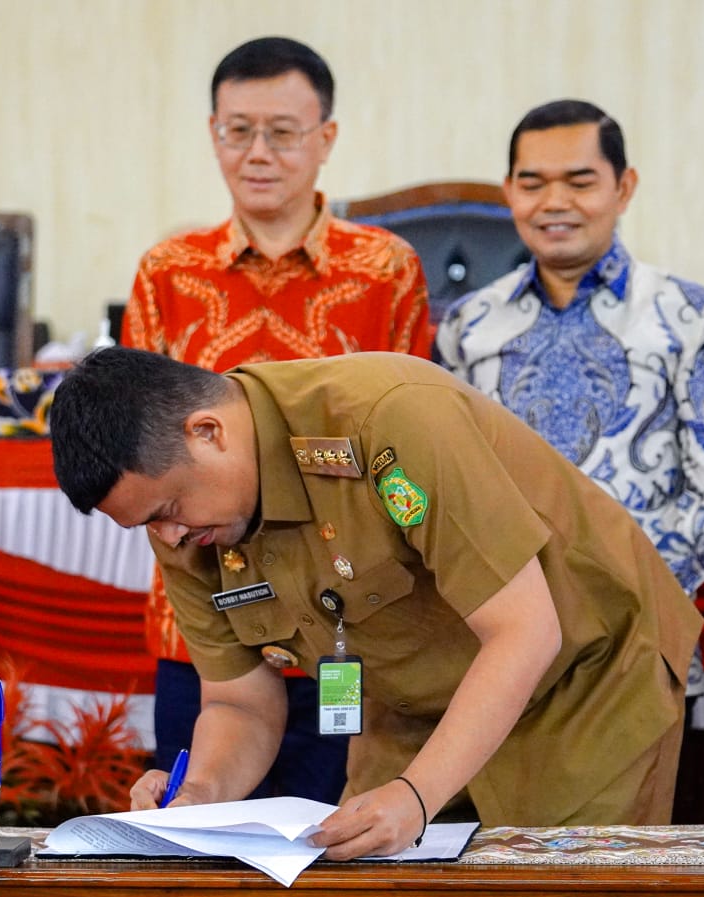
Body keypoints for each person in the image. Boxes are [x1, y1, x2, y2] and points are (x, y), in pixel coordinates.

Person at [50, 346, 701, 859]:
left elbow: (525, 631)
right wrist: (199, 794)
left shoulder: (390, 418)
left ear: (208, 431)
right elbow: (239, 700)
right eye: (146, 527)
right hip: (410, 704)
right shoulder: (190, 527)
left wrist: (415, 797)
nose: (168, 538)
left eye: (167, 511)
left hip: (581, 683)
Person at [121, 36, 433, 805]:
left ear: (325, 138)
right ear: (213, 133)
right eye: (238, 130)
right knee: (201, 850)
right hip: (202, 632)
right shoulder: (168, 274)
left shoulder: (386, 271)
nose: (258, 153)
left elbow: (414, 454)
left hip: (354, 627)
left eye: (283, 132)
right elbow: (137, 459)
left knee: (343, 859)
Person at [434, 99, 704, 733]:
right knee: (503, 836)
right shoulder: (468, 326)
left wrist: (624, 612)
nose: (555, 202)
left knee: (641, 837)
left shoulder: (690, 316)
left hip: (639, 648)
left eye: (580, 182)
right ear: (509, 192)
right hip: (500, 659)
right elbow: (451, 488)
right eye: (533, 182)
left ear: (623, 187)